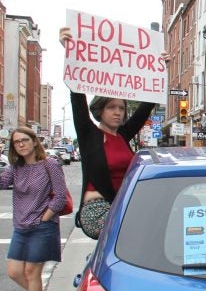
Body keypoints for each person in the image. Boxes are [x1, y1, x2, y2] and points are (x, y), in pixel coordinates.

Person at [60, 27, 162, 239]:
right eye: (111, 107)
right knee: (142, 234)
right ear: (99, 110)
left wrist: (160, 70)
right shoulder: (90, 135)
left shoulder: (123, 135)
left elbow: (146, 107)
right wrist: (70, 53)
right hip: (96, 211)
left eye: (122, 108)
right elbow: (77, 96)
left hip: (120, 205)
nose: (117, 112)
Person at [0, 128, 67, 291]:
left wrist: (43, 218)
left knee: (31, 272)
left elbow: (60, 196)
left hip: (43, 226)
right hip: (21, 226)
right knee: (14, 272)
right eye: (16, 142)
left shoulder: (50, 165)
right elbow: (2, 183)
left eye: (24, 140)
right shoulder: (15, 168)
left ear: (34, 142)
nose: (20, 144)